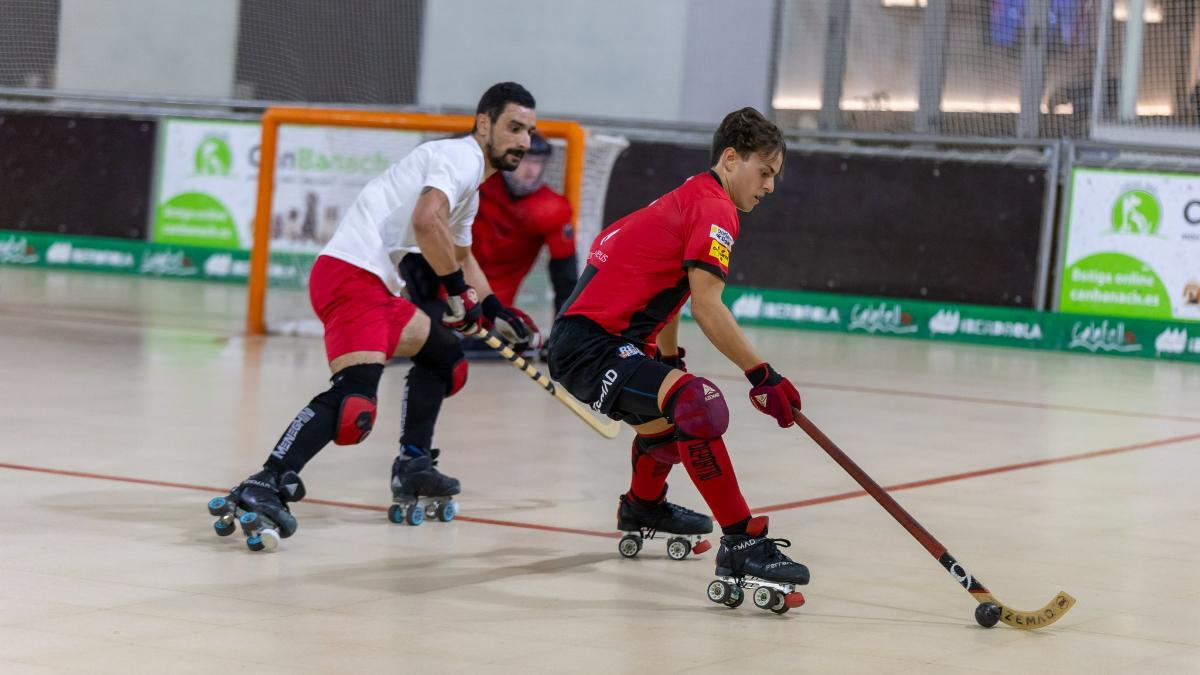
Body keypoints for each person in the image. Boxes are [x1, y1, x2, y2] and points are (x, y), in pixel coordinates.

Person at [210, 82, 542, 547]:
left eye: (529, 131)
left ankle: (413, 465)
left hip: (377, 283)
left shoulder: (472, 188)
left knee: (445, 356)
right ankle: (267, 479)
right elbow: (428, 224)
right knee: (354, 404)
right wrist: (455, 294)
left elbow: (461, 255)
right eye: (513, 128)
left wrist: (494, 310)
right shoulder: (460, 158)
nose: (524, 141)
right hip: (350, 275)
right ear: (484, 123)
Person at [546, 107, 809, 601]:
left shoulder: (693, 196)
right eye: (765, 172)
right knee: (698, 403)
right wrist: (762, 375)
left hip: (591, 342)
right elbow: (709, 307)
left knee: (671, 431)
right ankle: (742, 542)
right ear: (731, 159)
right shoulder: (715, 209)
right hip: (591, 346)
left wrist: (667, 363)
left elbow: (669, 296)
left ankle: (643, 507)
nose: (770, 187)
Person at [471, 131, 576, 317]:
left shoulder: (551, 209)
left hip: (493, 304)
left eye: (537, 162)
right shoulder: (480, 180)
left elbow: (565, 279)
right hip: (446, 285)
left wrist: (562, 332)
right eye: (524, 159)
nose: (530, 169)